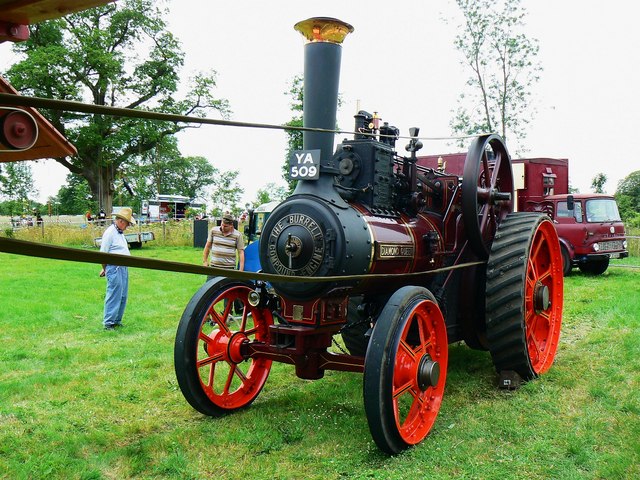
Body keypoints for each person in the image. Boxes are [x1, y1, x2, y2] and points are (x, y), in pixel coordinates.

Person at [99, 207, 135, 330]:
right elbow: (103, 254)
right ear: (121, 221)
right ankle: (108, 322)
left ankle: (117, 320)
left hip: (122, 267)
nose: (128, 226)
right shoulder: (110, 233)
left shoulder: (119, 233)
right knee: (114, 294)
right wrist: (106, 268)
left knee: (123, 295)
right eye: (128, 224)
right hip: (114, 268)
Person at [202, 213, 245, 280]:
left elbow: (241, 252)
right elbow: (207, 247)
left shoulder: (238, 235)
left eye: (225, 226)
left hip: (229, 269)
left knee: (228, 289)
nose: (223, 227)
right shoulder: (214, 231)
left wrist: (240, 270)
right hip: (214, 268)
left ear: (231, 225)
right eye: (222, 225)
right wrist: (205, 261)